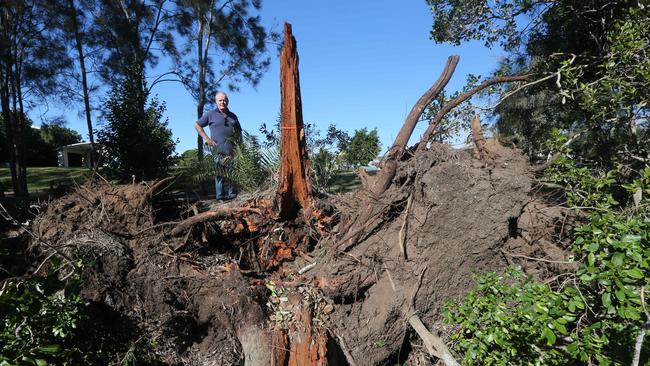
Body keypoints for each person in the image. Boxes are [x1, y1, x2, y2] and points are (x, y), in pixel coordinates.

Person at [194, 91, 242, 201]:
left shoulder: (233, 116)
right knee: (219, 176)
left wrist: (240, 147)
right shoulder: (211, 114)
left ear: (228, 101)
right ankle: (219, 198)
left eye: (224, 100)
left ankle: (232, 197)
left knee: (232, 175)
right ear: (216, 102)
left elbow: (239, 132)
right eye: (220, 100)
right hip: (217, 151)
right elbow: (197, 125)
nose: (222, 102)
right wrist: (207, 139)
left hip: (232, 151)